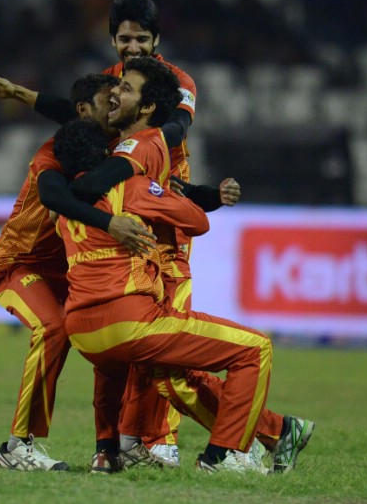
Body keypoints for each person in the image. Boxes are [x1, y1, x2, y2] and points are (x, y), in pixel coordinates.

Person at [0, 0, 200, 464]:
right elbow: (58, 181)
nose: (131, 46)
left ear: (156, 40)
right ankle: (32, 447)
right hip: (52, 251)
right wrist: (20, 95)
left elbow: (173, 129)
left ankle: (136, 443)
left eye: (141, 38)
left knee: (134, 335)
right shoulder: (66, 148)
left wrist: (182, 184)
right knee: (85, 331)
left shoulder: (171, 87)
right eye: (124, 37)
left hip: (140, 221)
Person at [71, 57, 314, 473]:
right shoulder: (133, 153)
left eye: (126, 87)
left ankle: (122, 447)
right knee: (242, 353)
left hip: (83, 317)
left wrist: (180, 193)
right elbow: (190, 216)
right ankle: (224, 452)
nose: (115, 91)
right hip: (136, 299)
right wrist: (166, 198)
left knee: (168, 376)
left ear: (148, 107)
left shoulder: (118, 147)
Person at [0, 74, 158, 472]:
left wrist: (20, 92)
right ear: (85, 111)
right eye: (108, 101)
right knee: (52, 328)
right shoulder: (55, 152)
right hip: (19, 264)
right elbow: (53, 194)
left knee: (116, 336)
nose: (115, 106)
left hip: (70, 274)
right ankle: (17, 446)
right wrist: (110, 225)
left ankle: (114, 446)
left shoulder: (112, 148)